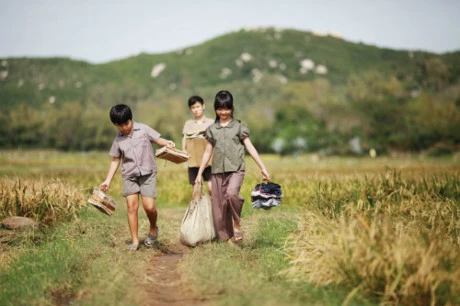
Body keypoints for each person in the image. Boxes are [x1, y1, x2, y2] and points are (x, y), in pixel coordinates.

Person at [195, 90, 270, 244]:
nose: (223, 112)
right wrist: (199, 174)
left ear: (232, 107)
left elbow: (250, 147)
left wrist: (262, 167)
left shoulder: (239, 126)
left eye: (227, 108)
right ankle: (227, 239)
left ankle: (236, 224)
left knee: (231, 194)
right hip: (217, 172)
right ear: (215, 108)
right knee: (219, 208)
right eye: (220, 109)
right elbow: (207, 152)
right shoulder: (212, 129)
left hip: (236, 169)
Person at [99, 104, 175, 251]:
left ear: (131, 119)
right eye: (120, 126)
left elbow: (158, 139)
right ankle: (135, 241)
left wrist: (168, 143)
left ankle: (153, 228)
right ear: (115, 125)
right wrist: (108, 180)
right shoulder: (118, 140)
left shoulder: (144, 129)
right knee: (131, 207)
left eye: (126, 124)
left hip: (148, 174)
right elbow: (115, 160)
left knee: (150, 207)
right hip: (129, 176)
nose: (125, 128)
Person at [182, 95, 214, 195]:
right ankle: (199, 210)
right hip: (193, 161)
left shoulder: (211, 122)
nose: (196, 110)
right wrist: (184, 149)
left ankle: (214, 209)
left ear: (203, 106)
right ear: (190, 109)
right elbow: (185, 137)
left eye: (197, 107)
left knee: (211, 188)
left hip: (210, 161)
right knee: (196, 191)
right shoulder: (188, 123)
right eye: (193, 108)